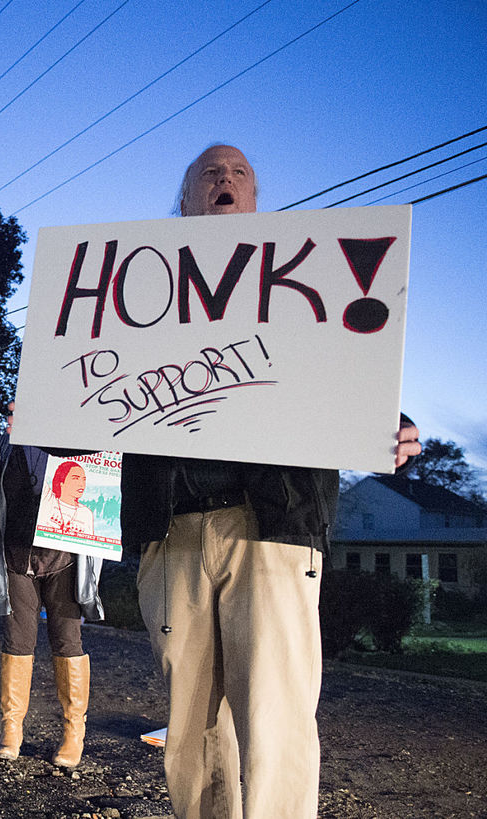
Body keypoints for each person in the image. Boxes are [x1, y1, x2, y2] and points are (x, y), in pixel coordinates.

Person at [126, 144, 422, 818]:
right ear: (186, 203)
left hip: (273, 528)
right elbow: (99, 395)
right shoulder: (141, 296)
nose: (223, 180)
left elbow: (346, 369)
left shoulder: (298, 287)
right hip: (172, 532)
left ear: (256, 200)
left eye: (237, 174)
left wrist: (389, 423)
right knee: (192, 732)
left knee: (275, 719)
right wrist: (47, 415)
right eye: (208, 173)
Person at [0, 401, 103, 768]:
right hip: (16, 559)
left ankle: (73, 734)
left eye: (17, 409)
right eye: (8, 410)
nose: (10, 416)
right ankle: (12, 730)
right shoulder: (5, 448)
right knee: (16, 641)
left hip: (64, 562)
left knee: (67, 641)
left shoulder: (72, 443)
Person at [42, 461, 93, 537]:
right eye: (75, 478)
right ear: (61, 482)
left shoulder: (86, 513)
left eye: (83, 479)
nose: (81, 484)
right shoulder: (48, 499)